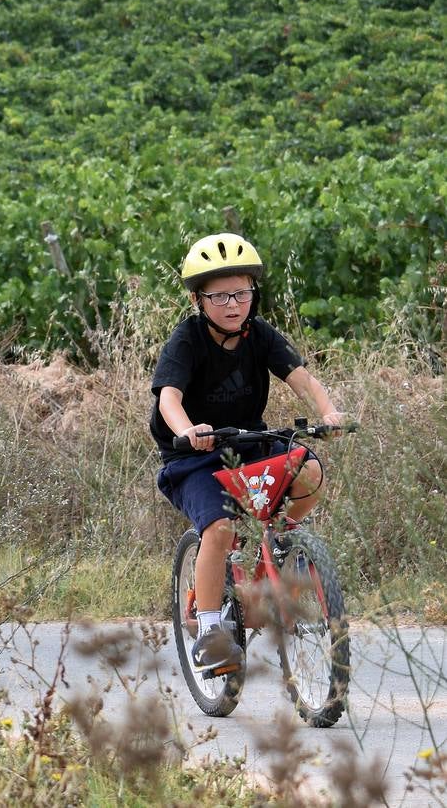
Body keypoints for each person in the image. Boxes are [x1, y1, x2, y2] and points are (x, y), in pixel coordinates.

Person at [149, 232, 344, 675]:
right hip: (192, 458)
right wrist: (188, 431)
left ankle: (277, 552)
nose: (233, 304)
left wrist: (329, 412)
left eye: (241, 293)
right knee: (218, 528)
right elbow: (168, 399)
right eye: (219, 296)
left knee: (309, 470)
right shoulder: (186, 340)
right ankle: (211, 628)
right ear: (199, 300)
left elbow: (301, 379)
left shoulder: (261, 335)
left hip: (248, 443)